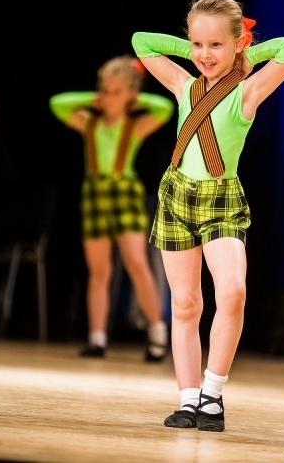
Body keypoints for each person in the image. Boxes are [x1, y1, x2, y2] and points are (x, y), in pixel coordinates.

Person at [131, 0, 284, 432]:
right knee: (186, 303)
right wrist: (194, 46)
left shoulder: (247, 91)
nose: (205, 55)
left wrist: (247, 50)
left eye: (216, 45)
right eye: (197, 45)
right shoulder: (183, 84)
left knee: (232, 293)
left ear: (236, 44)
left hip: (221, 200)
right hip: (176, 196)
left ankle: (213, 394)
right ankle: (188, 399)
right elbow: (141, 42)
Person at [49, 55, 174, 362]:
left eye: (115, 92)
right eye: (104, 90)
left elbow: (166, 108)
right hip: (95, 192)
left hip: (124, 192)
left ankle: (157, 332)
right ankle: (97, 337)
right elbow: (58, 104)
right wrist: (98, 98)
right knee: (99, 269)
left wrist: (131, 96)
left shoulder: (135, 125)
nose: (107, 98)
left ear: (130, 95)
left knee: (135, 262)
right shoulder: (89, 122)